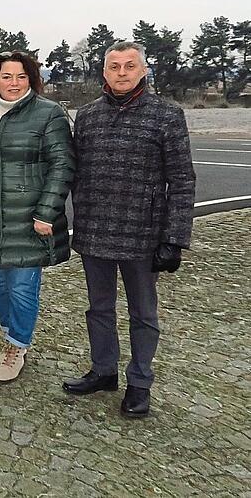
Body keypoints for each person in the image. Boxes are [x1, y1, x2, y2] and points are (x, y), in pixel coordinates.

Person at [63, 41, 196, 418]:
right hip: (94, 232)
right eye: (114, 66)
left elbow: (182, 180)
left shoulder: (167, 115)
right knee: (99, 309)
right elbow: (76, 171)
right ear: (103, 72)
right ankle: (103, 370)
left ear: (143, 70)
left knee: (143, 314)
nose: (121, 73)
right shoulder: (87, 116)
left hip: (143, 233)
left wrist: (174, 238)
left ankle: (139, 382)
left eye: (129, 66)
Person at [0, 51, 75, 383]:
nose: (14, 84)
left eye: (21, 77)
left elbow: (62, 165)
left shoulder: (49, 114)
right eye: (6, 76)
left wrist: (46, 212)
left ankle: (17, 346)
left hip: (30, 218)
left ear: (31, 79)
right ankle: (11, 338)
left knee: (22, 287)